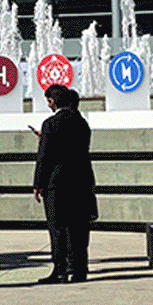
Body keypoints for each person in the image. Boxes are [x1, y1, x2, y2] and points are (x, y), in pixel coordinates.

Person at [32, 83, 95, 284]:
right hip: (81, 181)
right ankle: (79, 268)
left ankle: (60, 269)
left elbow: (44, 157)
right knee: (78, 226)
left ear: (52, 101)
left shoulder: (50, 124)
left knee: (57, 227)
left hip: (57, 183)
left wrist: (38, 183)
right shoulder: (81, 122)